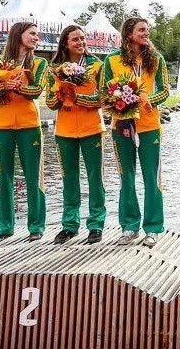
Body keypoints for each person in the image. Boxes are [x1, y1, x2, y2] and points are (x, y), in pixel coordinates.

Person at [100, 17, 169, 247]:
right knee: (126, 177)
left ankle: (153, 228)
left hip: (149, 126)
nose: (146, 33)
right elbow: (103, 92)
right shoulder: (112, 59)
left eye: (147, 30)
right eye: (141, 30)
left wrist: (149, 100)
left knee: (152, 178)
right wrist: (116, 102)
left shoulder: (156, 58)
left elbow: (165, 91)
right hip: (121, 125)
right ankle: (130, 227)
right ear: (129, 34)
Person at [0, 22, 48, 243]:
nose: (36, 38)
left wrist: (17, 87)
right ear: (18, 35)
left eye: (37, 34)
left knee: (33, 177)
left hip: (30, 126)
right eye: (32, 34)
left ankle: (36, 227)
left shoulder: (39, 62)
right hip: (1, 127)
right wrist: (3, 86)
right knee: (3, 177)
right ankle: (5, 227)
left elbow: (36, 91)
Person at [46, 25, 106, 245]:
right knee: (69, 179)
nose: (81, 42)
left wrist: (77, 98)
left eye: (83, 38)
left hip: (92, 129)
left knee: (95, 178)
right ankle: (70, 225)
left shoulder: (96, 65)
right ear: (65, 43)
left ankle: (96, 224)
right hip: (65, 130)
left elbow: (103, 99)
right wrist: (61, 95)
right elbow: (50, 103)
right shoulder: (55, 68)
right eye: (75, 39)